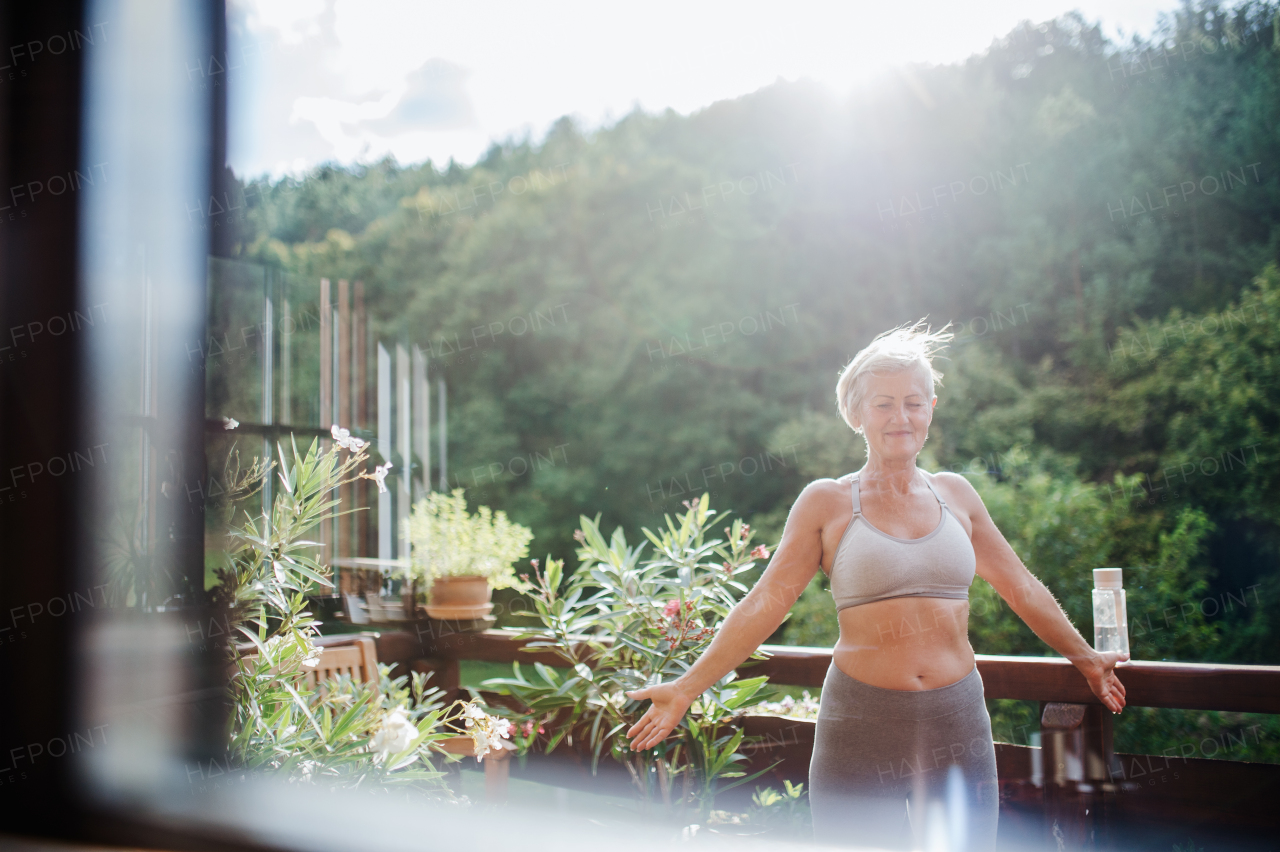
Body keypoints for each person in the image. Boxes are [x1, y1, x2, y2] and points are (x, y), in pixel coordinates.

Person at [624, 321, 1129, 850]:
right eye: (883, 404)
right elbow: (765, 604)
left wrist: (1086, 657)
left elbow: (1020, 585)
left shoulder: (957, 495)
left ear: (931, 408)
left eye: (913, 402)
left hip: (956, 719)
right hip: (860, 721)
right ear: (857, 414)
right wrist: (686, 687)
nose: (900, 417)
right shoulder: (827, 502)